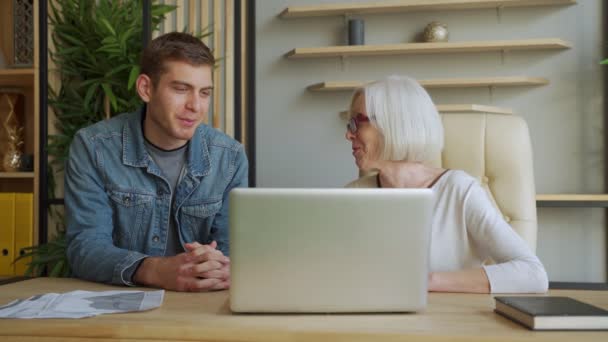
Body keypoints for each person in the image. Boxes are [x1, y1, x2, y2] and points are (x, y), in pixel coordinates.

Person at [65, 32, 248, 292]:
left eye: (204, 93)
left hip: (202, 308)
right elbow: (85, 247)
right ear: (145, 88)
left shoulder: (230, 157)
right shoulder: (93, 147)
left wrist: (218, 267)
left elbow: (233, 252)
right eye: (181, 89)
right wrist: (156, 271)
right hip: (120, 313)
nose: (195, 106)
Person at [344, 75, 548, 293]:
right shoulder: (352, 195)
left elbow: (533, 274)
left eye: (357, 123)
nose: (348, 134)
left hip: (449, 322)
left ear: (392, 124)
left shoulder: (459, 191)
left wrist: (427, 281)